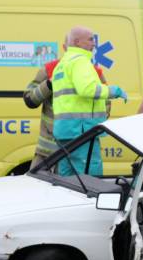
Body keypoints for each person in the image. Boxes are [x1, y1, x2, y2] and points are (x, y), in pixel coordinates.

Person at [51, 26, 127, 177]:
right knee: (90, 181)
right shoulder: (80, 62)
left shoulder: (61, 65)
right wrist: (114, 91)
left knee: (67, 182)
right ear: (77, 42)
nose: (94, 43)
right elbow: (88, 89)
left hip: (64, 132)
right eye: (91, 39)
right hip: (82, 132)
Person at [24, 39, 110, 169]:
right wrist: (49, 84)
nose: (93, 44)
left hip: (80, 151)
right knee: (39, 188)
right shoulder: (50, 69)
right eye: (90, 41)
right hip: (49, 154)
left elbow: (105, 109)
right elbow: (30, 100)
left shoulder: (95, 72)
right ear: (65, 47)